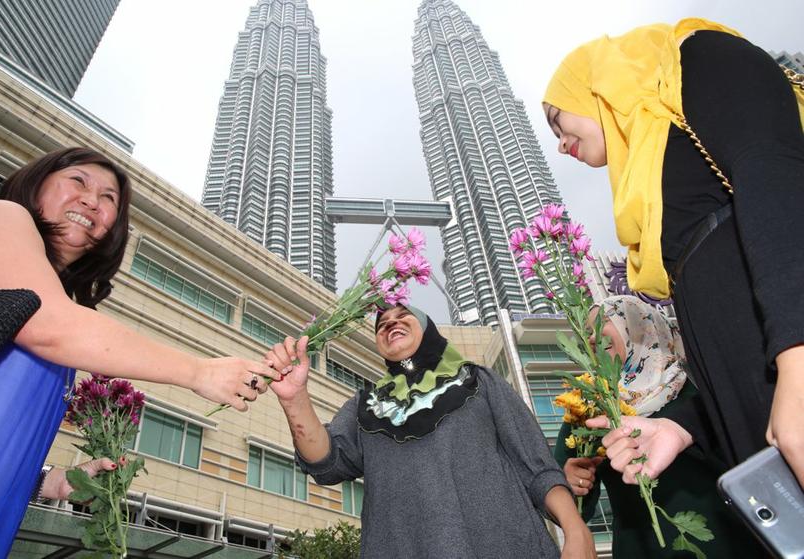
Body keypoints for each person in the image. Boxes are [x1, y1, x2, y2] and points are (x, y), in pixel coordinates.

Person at [0, 147, 279, 557]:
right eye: (77, 181)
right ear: (36, 184)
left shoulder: (65, 346)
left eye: (109, 198)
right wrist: (199, 371)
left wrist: (52, 482)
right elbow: (44, 321)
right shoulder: (0, 216)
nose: (92, 200)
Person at [541, 18, 804, 492]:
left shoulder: (698, 57)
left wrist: (799, 358)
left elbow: (776, 182)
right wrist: (684, 427)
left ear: (593, 83)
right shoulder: (650, 165)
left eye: (557, 118)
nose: (559, 144)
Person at [264, 304, 596, 558]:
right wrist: (295, 399)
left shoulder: (478, 380)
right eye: (381, 323)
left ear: (427, 327)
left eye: (402, 314)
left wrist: (575, 528)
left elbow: (536, 467)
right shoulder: (366, 406)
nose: (390, 322)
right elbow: (326, 462)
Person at [555, 296, 764, 557]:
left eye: (603, 323)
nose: (592, 337)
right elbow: (576, 510)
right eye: (586, 333)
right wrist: (571, 484)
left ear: (640, 326)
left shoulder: (697, 384)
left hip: (729, 542)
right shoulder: (584, 410)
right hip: (639, 549)